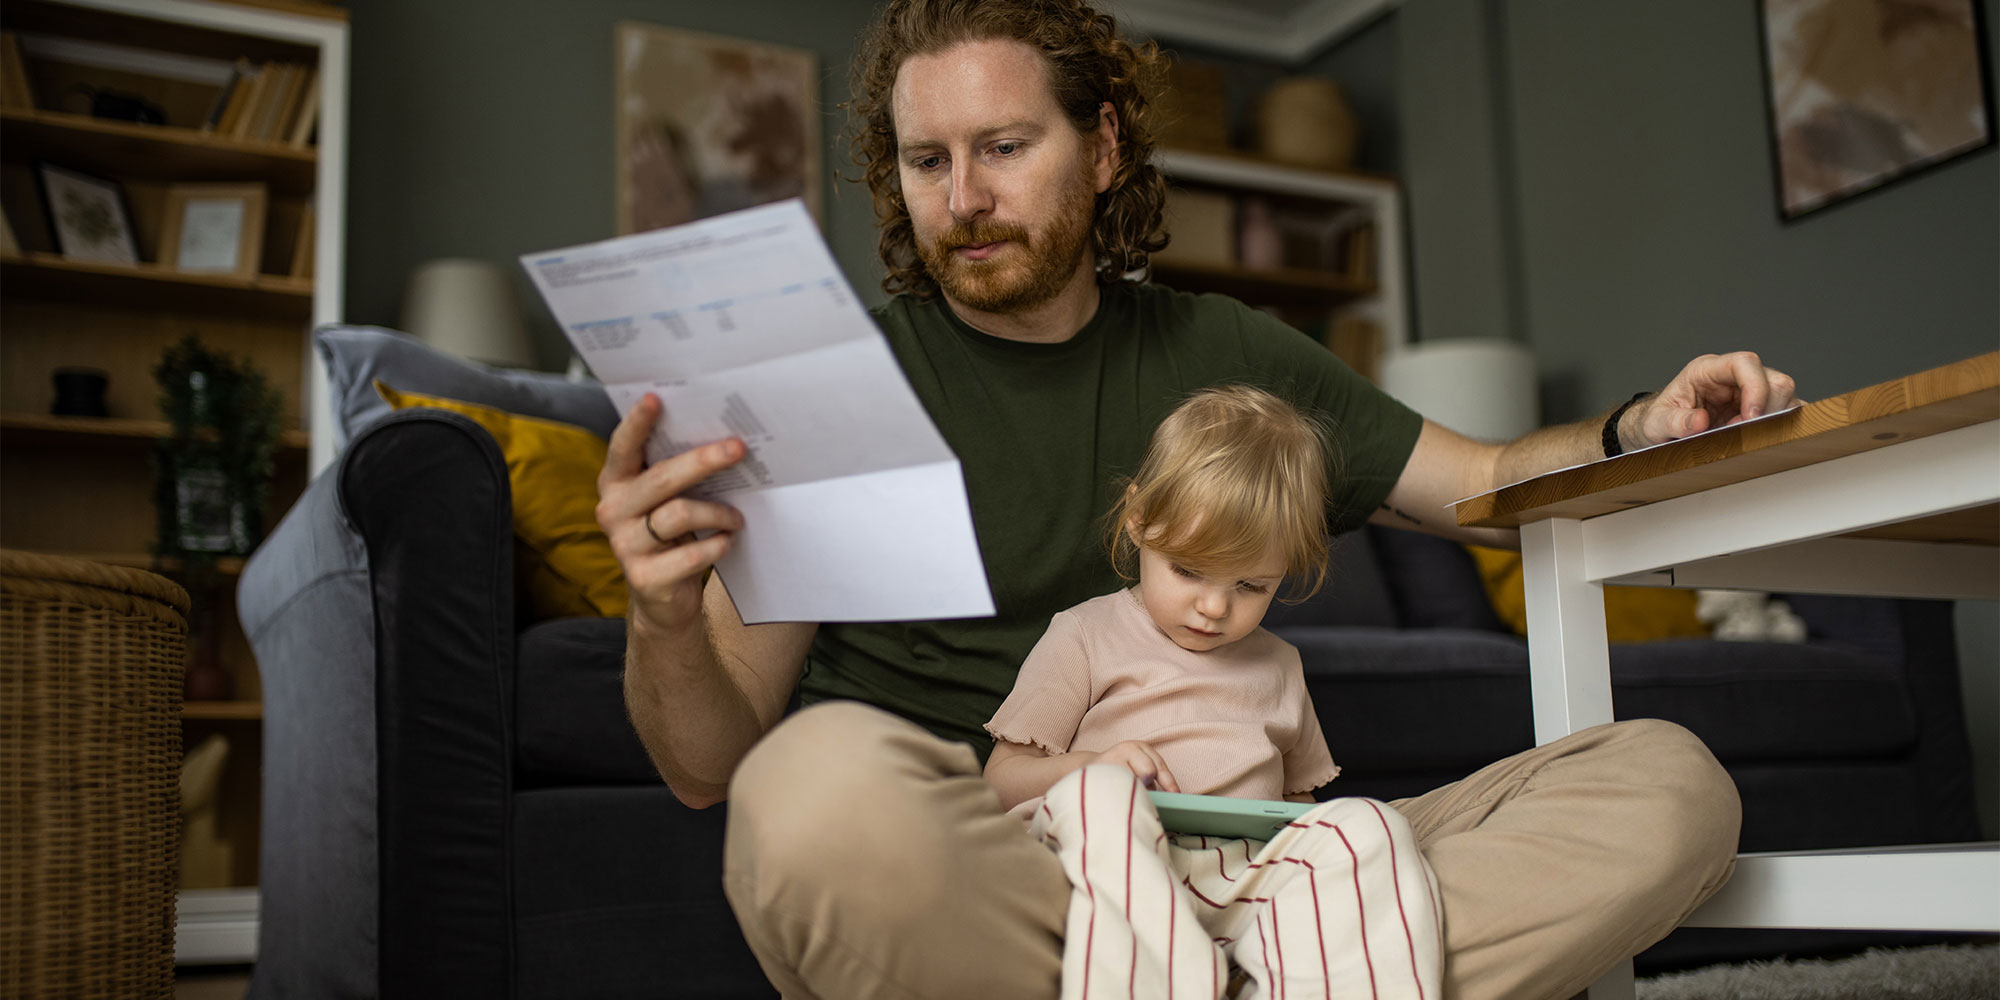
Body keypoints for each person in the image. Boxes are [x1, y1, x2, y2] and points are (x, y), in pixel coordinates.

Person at [594, 0, 1796, 996]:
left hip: (1257, 872)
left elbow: (1478, 483)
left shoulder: (1222, 346)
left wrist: (1632, 427)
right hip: (1003, 875)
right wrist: (660, 612)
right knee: (808, 793)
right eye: (926, 159)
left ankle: (1238, 969)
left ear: (1102, 147)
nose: (962, 196)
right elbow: (708, 764)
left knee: (1669, 784)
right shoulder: (830, 389)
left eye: (1004, 147)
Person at [985, 384, 1441, 1000]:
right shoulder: (1085, 634)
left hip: (1237, 878)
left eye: (1250, 585)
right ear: (1139, 521)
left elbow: (1297, 801)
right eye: (1190, 570)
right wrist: (1090, 768)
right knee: (1100, 793)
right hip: (1108, 863)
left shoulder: (1281, 665)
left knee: (1368, 824)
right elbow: (1001, 778)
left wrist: (1316, 832)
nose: (1213, 607)